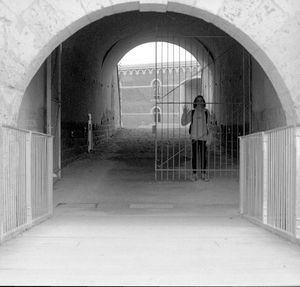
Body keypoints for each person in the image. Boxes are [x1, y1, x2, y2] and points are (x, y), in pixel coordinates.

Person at [181, 95, 211, 181]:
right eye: (198, 100)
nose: (199, 102)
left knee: (203, 157)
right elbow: (183, 123)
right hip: (194, 137)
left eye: (201, 100)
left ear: (203, 102)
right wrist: (184, 113)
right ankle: (194, 174)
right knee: (194, 156)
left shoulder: (206, 112)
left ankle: (203, 174)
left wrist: (210, 136)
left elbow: (210, 125)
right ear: (195, 102)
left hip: (204, 137)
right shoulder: (192, 112)